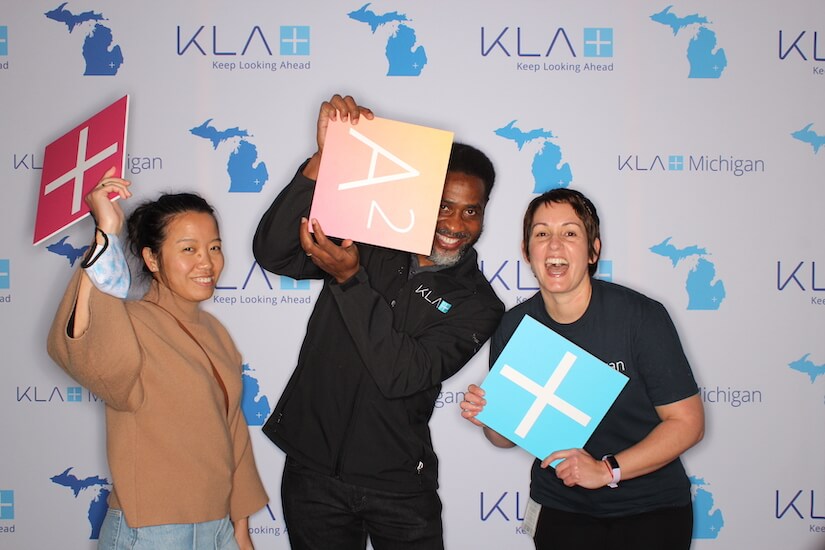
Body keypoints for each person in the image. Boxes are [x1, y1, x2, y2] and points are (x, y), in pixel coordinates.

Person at [252, 94, 504, 550]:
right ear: (424, 196)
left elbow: (402, 373)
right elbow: (276, 252)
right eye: (444, 204)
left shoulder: (480, 304)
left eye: (472, 210)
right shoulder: (368, 235)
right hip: (313, 474)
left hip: (399, 485)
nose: (456, 223)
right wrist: (323, 161)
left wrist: (350, 281)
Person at [461, 188, 704, 550]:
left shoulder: (640, 318)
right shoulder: (514, 327)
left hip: (649, 509)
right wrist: (491, 417)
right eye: (542, 234)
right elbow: (506, 437)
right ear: (527, 252)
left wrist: (606, 471)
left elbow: (688, 424)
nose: (554, 245)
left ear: (593, 251)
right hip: (562, 509)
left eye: (570, 233)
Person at [47, 168, 268, 550]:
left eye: (213, 247)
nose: (207, 262)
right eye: (188, 249)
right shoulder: (131, 323)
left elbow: (232, 433)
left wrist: (240, 527)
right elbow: (82, 348)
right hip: (151, 533)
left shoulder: (215, 332)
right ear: (151, 258)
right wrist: (107, 232)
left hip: (217, 529)